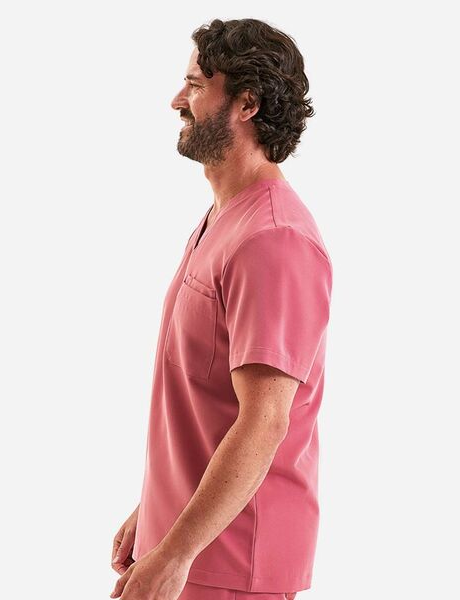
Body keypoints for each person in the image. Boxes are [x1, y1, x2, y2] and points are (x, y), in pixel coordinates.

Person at [110, 18, 333, 600]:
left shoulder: (274, 239)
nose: (176, 100)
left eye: (194, 85)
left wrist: (174, 552)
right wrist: (156, 507)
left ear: (247, 104)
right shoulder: (225, 217)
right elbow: (205, 400)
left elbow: (264, 420)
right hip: (193, 545)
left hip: (230, 562)